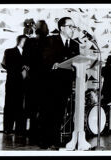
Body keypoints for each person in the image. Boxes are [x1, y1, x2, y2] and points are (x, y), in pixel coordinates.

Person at [38, 17, 79, 149]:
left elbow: (76, 64)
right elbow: (43, 59)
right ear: (62, 28)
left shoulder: (74, 44)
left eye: (74, 27)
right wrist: (53, 64)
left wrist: (75, 69)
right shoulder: (50, 40)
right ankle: (44, 141)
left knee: (60, 114)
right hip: (50, 84)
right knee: (47, 112)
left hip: (65, 84)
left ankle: (55, 140)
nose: (73, 29)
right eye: (70, 26)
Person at [25, 20, 49, 143]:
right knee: (44, 108)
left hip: (34, 79)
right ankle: (41, 135)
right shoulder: (50, 41)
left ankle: (33, 135)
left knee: (33, 108)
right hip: (46, 79)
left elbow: (25, 60)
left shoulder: (30, 42)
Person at [1, 35, 29, 135]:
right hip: (12, 83)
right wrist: (21, 66)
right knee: (9, 105)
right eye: (25, 41)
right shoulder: (9, 51)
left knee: (22, 107)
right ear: (19, 41)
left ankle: (20, 129)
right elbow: (6, 65)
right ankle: (7, 128)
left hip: (24, 84)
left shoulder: (28, 54)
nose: (27, 44)